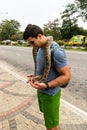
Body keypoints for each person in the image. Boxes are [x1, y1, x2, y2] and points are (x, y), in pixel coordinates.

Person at [23, 24, 71, 130]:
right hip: (42, 91)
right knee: (48, 120)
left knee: (52, 126)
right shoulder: (39, 48)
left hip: (50, 94)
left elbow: (67, 76)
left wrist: (46, 84)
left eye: (32, 42)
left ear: (39, 36)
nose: (32, 45)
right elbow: (45, 69)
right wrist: (35, 76)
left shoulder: (56, 51)